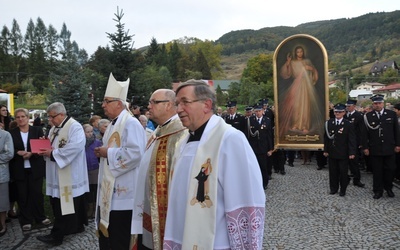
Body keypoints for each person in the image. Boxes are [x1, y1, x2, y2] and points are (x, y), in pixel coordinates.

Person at [163, 80, 265, 249]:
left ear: (206, 104)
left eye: (185, 102)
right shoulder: (183, 142)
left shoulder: (230, 139)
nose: (179, 109)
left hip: (217, 243)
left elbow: (246, 198)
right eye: (177, 104)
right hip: (185, 236)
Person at [94, 73, 146, 250]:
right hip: (111, 192)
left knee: (119, 238)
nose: (103, 105)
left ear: (118, 103)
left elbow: (136, 153)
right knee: (109, 237)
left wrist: (107, 152)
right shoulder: (112, 124)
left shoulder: (131, 123)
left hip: (124, 194)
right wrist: (104, 153)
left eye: (106, 101)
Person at [135, 89, 188, 249]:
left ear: (169, 105)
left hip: (166, 210)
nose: (149, 106)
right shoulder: (158, 130)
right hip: (147, 206)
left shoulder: (180, 134)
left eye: (154, 102)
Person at [36, 102, 89, 246]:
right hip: (56, 172)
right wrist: (45, 144)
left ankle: (56, 236)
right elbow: (54, 145)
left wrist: (52, 153)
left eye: (52, 117)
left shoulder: (75, 127)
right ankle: (77, 226)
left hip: (70, 173)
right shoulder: (54, 128)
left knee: (63, 205)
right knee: (59, 202)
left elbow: (75, 147)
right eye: (49, 117)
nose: (50, 120)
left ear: (61, 114)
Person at [9, 108, 50, 232]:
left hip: (35, 167)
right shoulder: (11, 133)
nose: (21, 119)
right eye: (18, 117)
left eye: (23, 116)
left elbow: (43, 147)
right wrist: (18, 152)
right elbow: (9, 150)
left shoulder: (37, 130)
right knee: (23, 195)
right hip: (19, 168)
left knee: (37, 193)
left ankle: (40, 217)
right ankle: (26, 220)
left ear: (28, 118)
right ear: (15, 119)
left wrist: (32, 153)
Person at [362, 94, 400, 199]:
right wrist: (365, 147)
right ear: (372, 104)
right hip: (375, 148)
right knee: (377, 171)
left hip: (389, 147)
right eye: (375, 103)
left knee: (391, 169)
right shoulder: (368, 116)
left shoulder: (391, 114)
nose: (377, 105)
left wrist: (398, 144)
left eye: (379, 103)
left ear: (383, 103)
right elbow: (364, 134)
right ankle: (378, 190)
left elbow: (396, 131)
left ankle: (388, 187)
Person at [279, 45, 323, 137]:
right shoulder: (293, 62)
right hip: (296, 85)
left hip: (306, 85)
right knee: (296, 106)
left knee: (305, 105)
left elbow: (314, 71)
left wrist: (310, 69)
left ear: (303, 52)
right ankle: (295, 124)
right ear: (295, 53)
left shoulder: (307, 61)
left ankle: (304, 126)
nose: (300, 53)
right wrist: (288, 63)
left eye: (301, 51)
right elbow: (286, 74)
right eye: (298, 52)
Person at [324, 103, 357, 197]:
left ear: (344, 113)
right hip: (332, 152)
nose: (338, 113)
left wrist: (352, 152)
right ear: (334, 112)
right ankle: (333, 189)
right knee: (333, 172)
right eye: (336, 112)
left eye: (340, 112)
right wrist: (325, 150)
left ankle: (343, 190)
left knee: (343, 172)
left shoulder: (348, 124)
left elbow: (352, 139)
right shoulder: (329, 123)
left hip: (344, 153)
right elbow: (326, 138)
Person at [244, 103, 274, 189]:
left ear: (263, 111)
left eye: (259, 111)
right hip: (253, 148)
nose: (258, 113)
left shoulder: (267, 120)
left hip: (263, 148)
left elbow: (269, 136)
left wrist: (270, 149)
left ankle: (264, 183)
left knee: (263, 166)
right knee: (253, 167)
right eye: (256, 111)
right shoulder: (250, 120)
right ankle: (255, 183)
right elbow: (247, 135)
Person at [344, 99, 365, 187]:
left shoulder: (359, 116)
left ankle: (357, 180)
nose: (347, 107)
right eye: (347, 106)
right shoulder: (344, 115)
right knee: (344, 162)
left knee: (354, 162)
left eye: (349, 106)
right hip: (344, 142)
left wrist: (361, 142)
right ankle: (346, 178)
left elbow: (361, 130)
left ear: (354, 106)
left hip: (354, 143)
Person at [83, 124, 102, 219]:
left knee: (95, 189)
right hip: (85, 169)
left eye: (91, 131)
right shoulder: (81, 143)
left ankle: (95, 208)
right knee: (88, 190)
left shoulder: (97, 142)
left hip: (95, 168)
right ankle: (89, 207)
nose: (90, 134)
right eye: (88, 132)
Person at [0, 128, 14, 237]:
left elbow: (9, 153)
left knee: (2, 200)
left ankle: (2, 223)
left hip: (1, 173)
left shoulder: (5, 135)